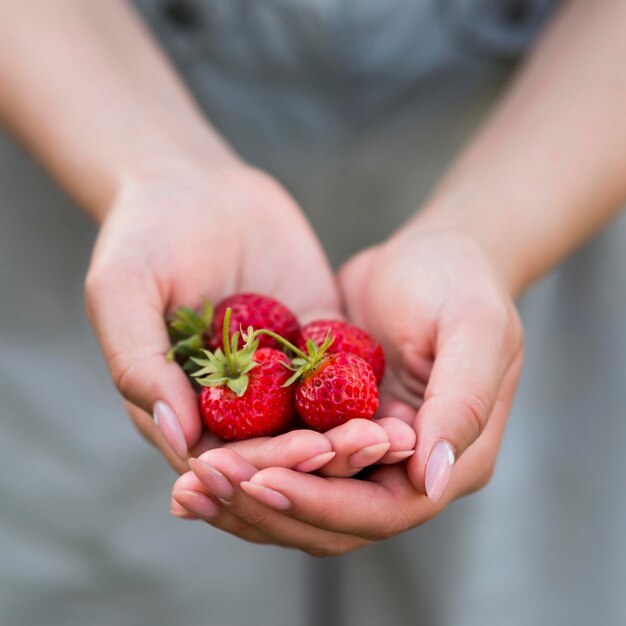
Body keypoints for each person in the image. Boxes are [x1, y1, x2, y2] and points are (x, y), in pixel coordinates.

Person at [0, 0, 624, 624]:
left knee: (503, 578)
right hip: (83, 111)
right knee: (117, 576)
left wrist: (483, 240)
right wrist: (156, 172)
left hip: (547, 156)